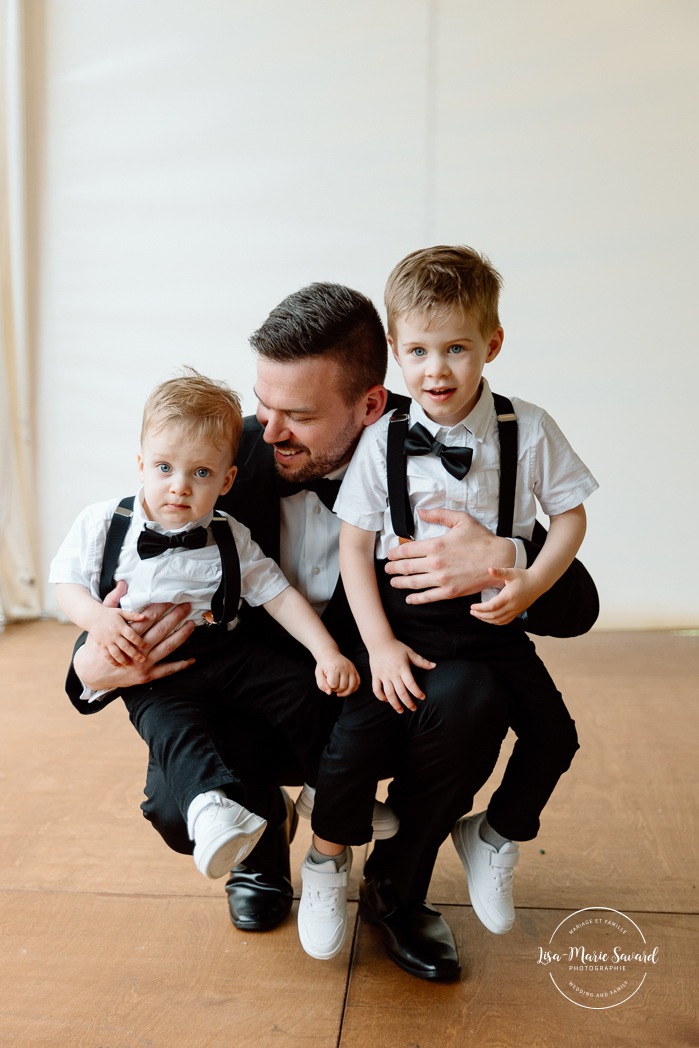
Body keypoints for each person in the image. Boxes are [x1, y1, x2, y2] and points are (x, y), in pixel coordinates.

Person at [66, 283, 599, 981]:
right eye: (264, 403)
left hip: (380, 697)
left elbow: (579, 604)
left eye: (298, 415)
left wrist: (506, 561)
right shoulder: (224, 460)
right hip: (261, 698)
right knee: (178, 804)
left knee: (474, 698)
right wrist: (89, 669)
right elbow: (126, 566)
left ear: (371, 405)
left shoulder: (437, 441)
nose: (269, 428)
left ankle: (395, 890)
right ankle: (259, 854)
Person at [301, 246, 598, 960]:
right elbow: (353, 547)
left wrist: (524, 579)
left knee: (555, 736)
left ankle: (491, 836)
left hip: (491, 627)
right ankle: (324, 863)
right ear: (396, 355)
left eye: (456, 349)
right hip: (405, 628)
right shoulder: (382, 443)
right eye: (418, 351)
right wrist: (375, 645)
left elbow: (570, 518)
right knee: (351, 749)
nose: (436, 370)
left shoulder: (526, 427)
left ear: (491, 344)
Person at [50, 369, 362, 879]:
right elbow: (66, 582)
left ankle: (325, 789)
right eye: (165, 467)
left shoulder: (229, 534)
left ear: (226, 479)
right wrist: (98, 620)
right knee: (175, 731)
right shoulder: (105, 523)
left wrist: (326, 653)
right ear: (140, 465)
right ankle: (210, 813)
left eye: (200, 473)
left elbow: (278, 596)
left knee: (302, 691)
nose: (179, 486)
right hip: (155, 666)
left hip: (227, 651)